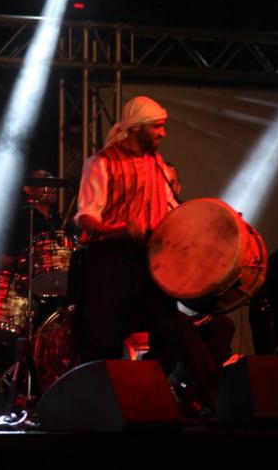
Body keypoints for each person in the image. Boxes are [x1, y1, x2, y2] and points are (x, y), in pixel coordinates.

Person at [72, 95, 219, 412]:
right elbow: (85, 217)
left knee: (169, 334)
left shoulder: (159, 166)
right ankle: (100, 406)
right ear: (137, 128)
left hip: (148, 262)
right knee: (103, 340)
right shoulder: (101, 163)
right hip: (108, 260)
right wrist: (119, 230)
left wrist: (204, 226)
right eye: (158, 126)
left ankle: (139, 392)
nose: (163, 133)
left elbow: (172, 209)